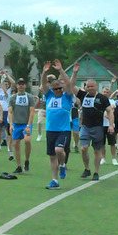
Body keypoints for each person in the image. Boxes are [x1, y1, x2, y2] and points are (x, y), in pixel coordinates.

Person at [41, 60, 77, 190]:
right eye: (55, 89)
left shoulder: (66, 97)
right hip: (50, 130)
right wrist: (44, 73)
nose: (58, 90)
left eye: (59, 88)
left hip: (63, 130)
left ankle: (63, 165)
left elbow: (68, 84)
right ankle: (54, 180)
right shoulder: (49, 96)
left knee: (59, 150)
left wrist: (61, 70)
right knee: (52, 156)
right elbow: (43, 84)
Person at [78, 78, 113, 181]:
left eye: (92, 86)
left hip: (97, 127)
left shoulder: (102, 98)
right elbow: (70, 85)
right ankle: (87, 168)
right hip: (85, 126)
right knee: (83, 148)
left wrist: (111, 125)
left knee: (97, 151)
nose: (90, 88)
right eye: (88, 86)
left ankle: (96, 172)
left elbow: (110, 111)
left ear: (96, 86)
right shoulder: (83, 95)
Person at [8, 78, 34, 174]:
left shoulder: (30, 97)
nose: (21, 86)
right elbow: (10, 112)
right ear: (17, 86)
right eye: (19, 84)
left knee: (27, 140)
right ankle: (19, 166)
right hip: (16, 124)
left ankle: (27, 160)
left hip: (26, 123)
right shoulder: (13, 98)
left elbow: (32, 112)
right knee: (16, 144)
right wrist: (11, 125)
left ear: (25, 86)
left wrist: (28, 125)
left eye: (23, 84)